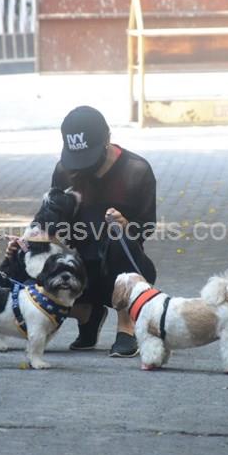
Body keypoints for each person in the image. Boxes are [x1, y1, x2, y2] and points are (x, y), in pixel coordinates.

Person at [49, 106, 158, 357]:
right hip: (82, 268)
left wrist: (126, 225)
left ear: (107, 138)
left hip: (125, 270)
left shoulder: (137, 170)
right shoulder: (64, 171)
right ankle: (87, 313)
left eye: (88, 156)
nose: (82, 166)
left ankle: (126, 325)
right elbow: (54, 218)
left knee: (119, 238)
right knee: (29, 262)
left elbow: (146, 226)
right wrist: (36, 239)